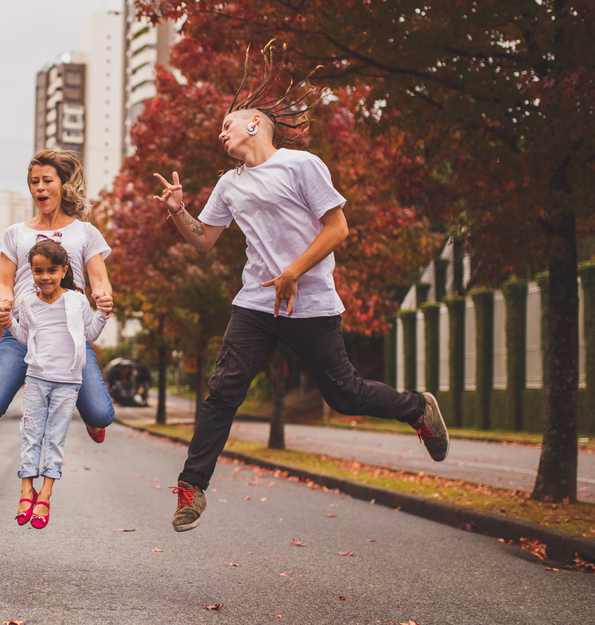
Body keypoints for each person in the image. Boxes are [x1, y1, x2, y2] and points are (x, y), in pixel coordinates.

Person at [154, 89, 449, 533]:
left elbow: (338, 227)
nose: (221, 134)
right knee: (223, 392)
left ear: (254, 123)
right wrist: (179, 211)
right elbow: (203, 240)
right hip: (255, 302)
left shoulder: (302, 165)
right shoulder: (229, 183)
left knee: (345, 395)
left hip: (309, 303)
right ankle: (191, 487)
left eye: (227, 125)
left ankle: (416, 408)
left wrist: (293, 271)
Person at [0, 151, 115, 449]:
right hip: (24, 328)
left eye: (47, 180)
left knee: (101, 413)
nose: (40, 188)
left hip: (70, 331)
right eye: (34, 182)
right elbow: (3, 283)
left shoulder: (84, 232)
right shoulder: (15, 233)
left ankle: (89, 412)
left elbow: (99, 278)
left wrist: (103, 296)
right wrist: (4, 303)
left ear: (63, 184)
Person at [9, 240, 111, 529]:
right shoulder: (26, 302)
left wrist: (102, 313)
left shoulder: (77, 301)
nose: (45, 277)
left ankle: (46, 492)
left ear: (64, 270)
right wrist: (8, 323)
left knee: (55, 438)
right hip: (36, 380)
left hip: (68, 383)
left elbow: (90, 334)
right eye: (38, 271)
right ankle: (26, 489)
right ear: (31, 271)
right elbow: (25, 337)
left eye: (52, 270)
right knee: (31, 435)